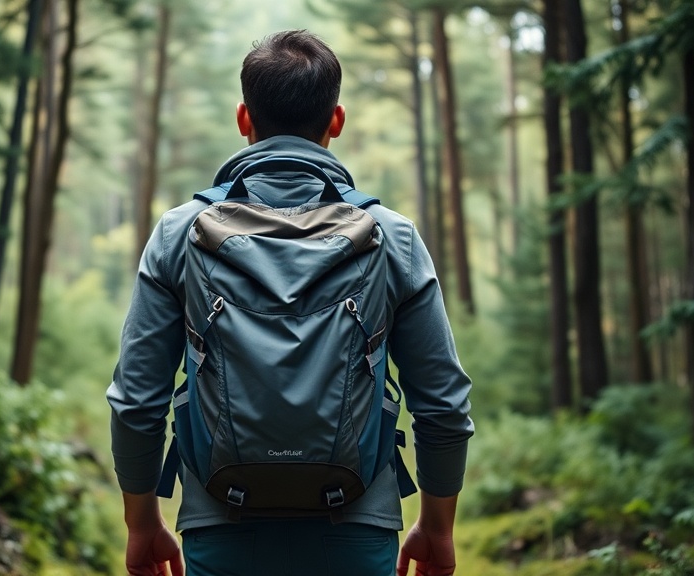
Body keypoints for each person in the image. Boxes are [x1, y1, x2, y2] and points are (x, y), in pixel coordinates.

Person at [107, 30, 474, 576]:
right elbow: (443, 405)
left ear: (243, 119)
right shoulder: (392, 238)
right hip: (354, 530)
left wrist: (142, 525)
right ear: (336, 121)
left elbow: (136, 403)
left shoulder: (180, 234)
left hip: (221, 524)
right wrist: (437, 528)